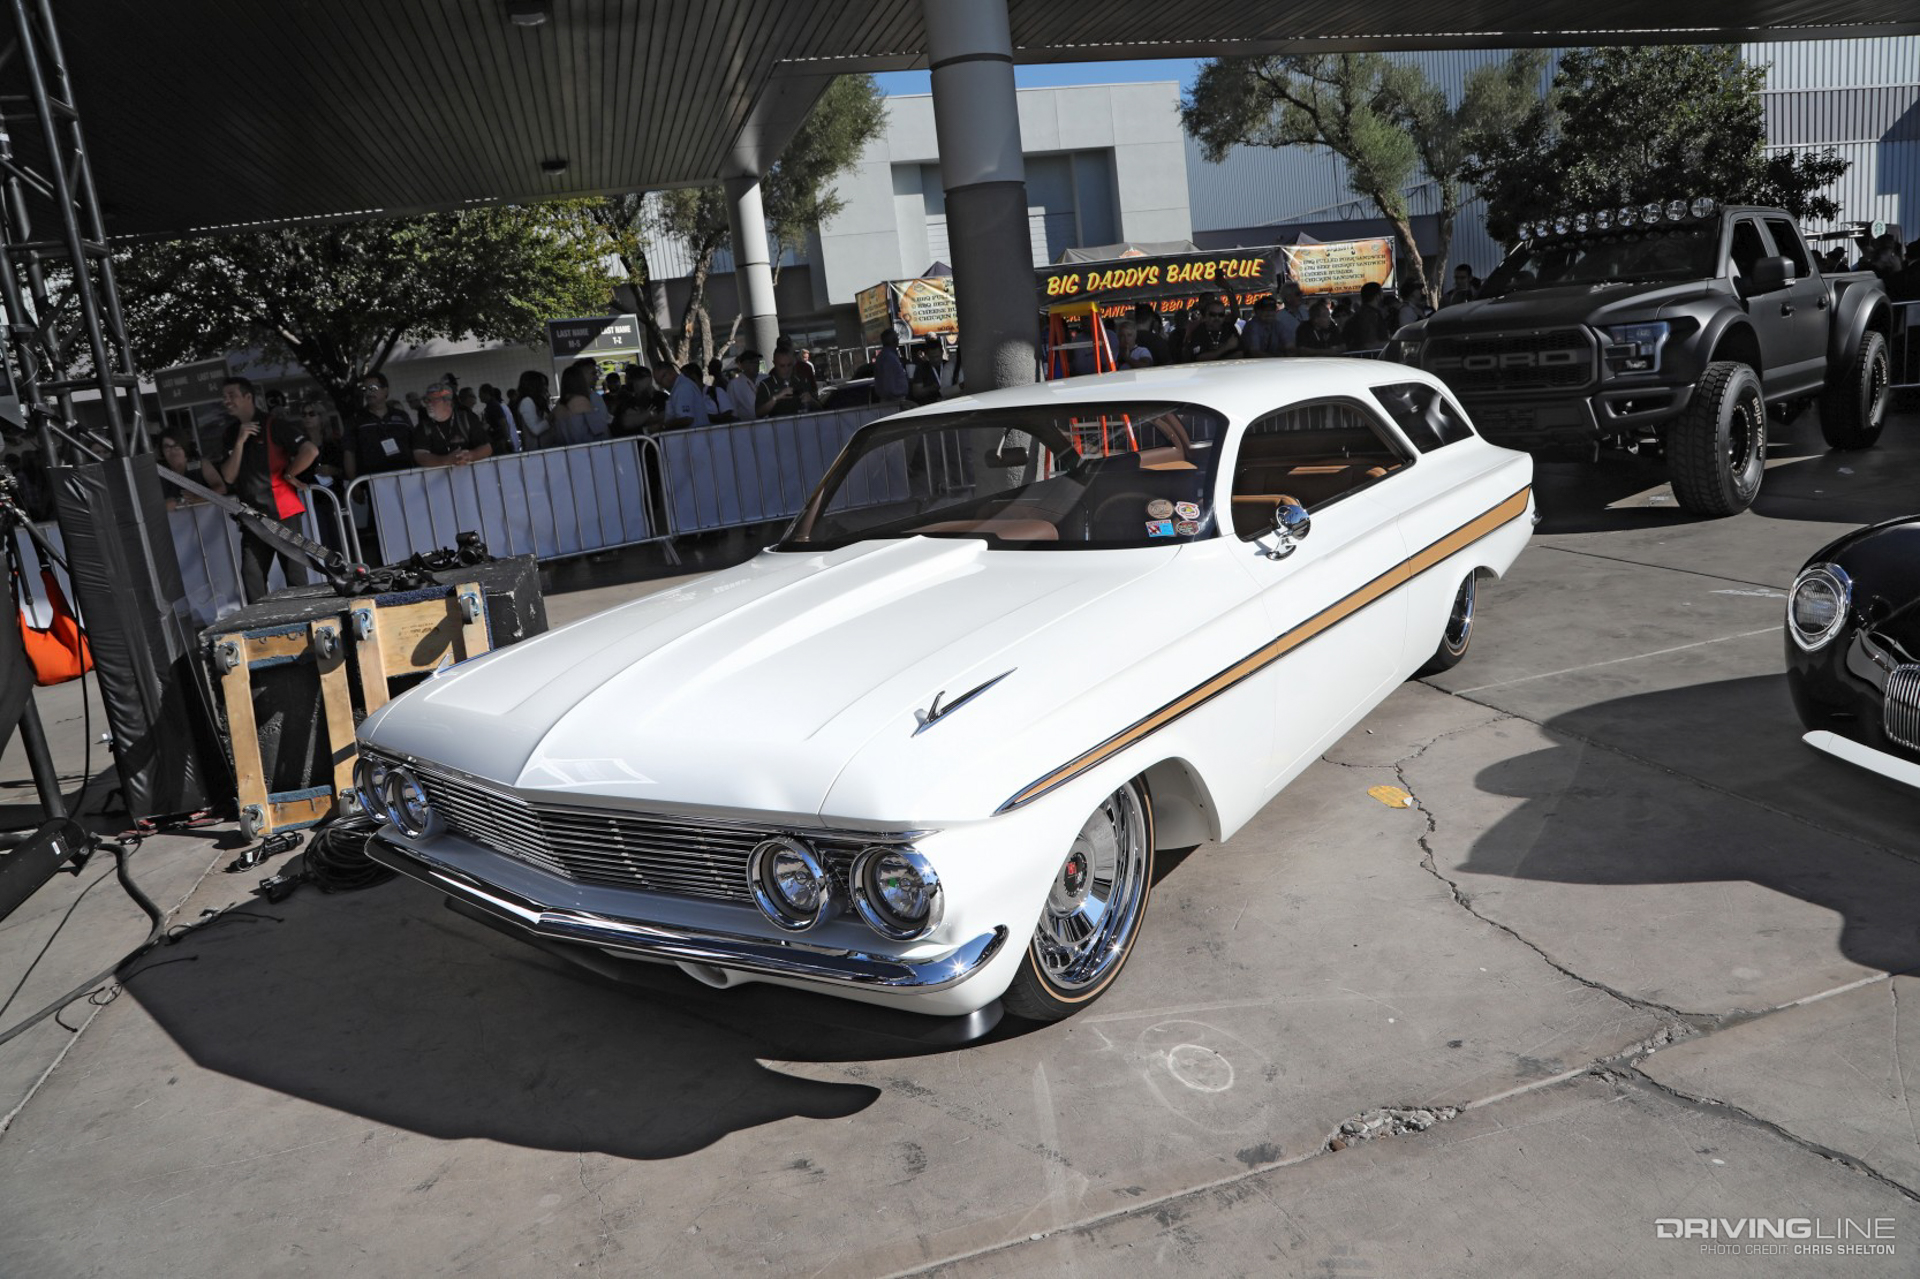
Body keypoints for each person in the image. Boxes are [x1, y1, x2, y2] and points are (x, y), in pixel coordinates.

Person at [209, 376, 318, 601]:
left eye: (232, 395)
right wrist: (239, 442)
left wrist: (290, 473)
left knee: (295, 574)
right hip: (252, 517)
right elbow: (229, 476)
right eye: (224, 397)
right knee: (252, 576)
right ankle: (260, 628)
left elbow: (310, 450)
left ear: (248, 397)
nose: (226, 401)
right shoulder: (231, 433)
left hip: (283, 513)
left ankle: (307, 619)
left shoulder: (274, 424)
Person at [346, 371, 415, 482]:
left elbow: (415, 445)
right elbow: (349, 452)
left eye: (372, 388)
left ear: (385, 390)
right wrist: (354, 484)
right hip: (372, 481)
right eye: (364, 389)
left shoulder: (402, 416)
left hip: (407, 477)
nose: (368, 392)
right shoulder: (356, 419)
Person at [412, 380, 494, 467]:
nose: (429, 404)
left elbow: (487, 448)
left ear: (448, 402)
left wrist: (469, 456)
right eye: (427, 400)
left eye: (434, 400)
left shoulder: (467, 418)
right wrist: (447, 460)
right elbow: (420, 456)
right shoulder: (423, 426)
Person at [548, 362, 612, 445]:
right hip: (590, 451)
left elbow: (557, 435)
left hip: (567, 453)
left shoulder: (558, 406)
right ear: (581, 378)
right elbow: (599, 428)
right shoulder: (586, 400)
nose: (597, 378)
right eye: (593, 373)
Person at [756, 349, 818, 417]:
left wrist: (811, 400)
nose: (786, 369)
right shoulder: (766, 385)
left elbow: (821, 409)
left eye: (789, 365)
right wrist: (776, 398)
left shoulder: (802, 381)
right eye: (782, 366)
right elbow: (758, 413)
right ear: (775, 364)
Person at [654, 358, 710, 429]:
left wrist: (663, 426)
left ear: (671, 372)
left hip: (694, 438)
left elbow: (686, 419)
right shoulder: (681, 386)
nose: (661, 385)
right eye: (658, 382)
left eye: (661, 379)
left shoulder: (682, 388)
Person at [1342, 282, 1393, 350]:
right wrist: (1391, 344)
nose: (1382, 296)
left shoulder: (1360, 313)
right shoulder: (1371, 315)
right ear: (1377, 296)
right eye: (1381, 293)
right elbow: (1370, 343)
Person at [514, 370, 552, 448]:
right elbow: (535, 430)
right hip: (536, 451)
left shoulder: (533, 401)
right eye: (543, 384)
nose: (545, 387)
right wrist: (552, 418)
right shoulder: (526, 402)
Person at [478, 383, 519, 454]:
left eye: (480, 394)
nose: (479, 396)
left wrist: (508, 440)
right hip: (498, 439)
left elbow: (503, 423)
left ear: (486, 393)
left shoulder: (493, 406)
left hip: (500, 440)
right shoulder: (491, 406)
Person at [872, 329, 910, 402]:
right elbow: (888, 381)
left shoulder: (886, 355)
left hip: (893, 398)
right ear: (894, 340)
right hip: (894, 400)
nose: (898, 339)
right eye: (896, 337)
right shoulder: (888, 357)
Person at [728, 350, 763, 420]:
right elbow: (732, 411)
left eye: (757, 362)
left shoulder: (766, 378)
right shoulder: (734, 384)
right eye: (752, 363)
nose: (756, 365)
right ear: (743, 365)